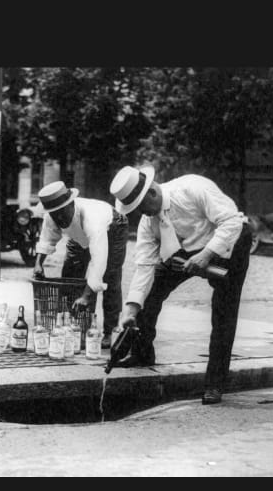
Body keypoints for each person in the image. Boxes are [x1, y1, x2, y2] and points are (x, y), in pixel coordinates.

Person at [109, 165, 252, 404]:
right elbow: (144, 266)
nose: (142, 215)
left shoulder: (192, 188)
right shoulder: (148, 221)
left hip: (229, 242)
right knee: (151, 294)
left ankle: (215, 384)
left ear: (152, 193)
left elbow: (231, 222)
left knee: (223, 312)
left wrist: (206, 255)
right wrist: (130, 310)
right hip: (183, 251)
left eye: (142, 207)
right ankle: (142, 354)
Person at [33, 181, 128, 348]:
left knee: (110, 279)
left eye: (62, 213)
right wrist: (38, 264)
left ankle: (109, 331)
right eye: (55, 215)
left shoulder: (93, 219)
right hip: (77, 236)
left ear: (71, 204)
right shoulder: (52, 215)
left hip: (112, 227)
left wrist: (86, 296)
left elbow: (99, 261)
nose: (60, 218)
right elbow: (47, 238)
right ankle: (72, 325)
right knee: (70, 276)